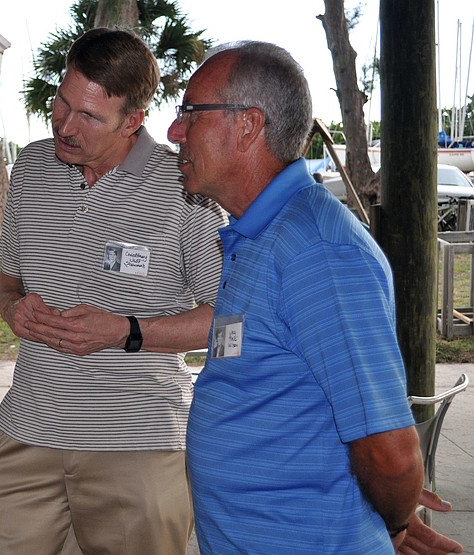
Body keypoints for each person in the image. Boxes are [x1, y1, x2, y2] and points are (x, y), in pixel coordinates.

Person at [168, 40, 458, 554]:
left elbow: (392, 454)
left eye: (190, 114)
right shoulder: (260, 235)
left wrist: (391, 525)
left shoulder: (315, 251)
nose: (174, 132)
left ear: (247, 125)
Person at [0, 28, 227, 554]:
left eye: (88, 116)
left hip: (138, 443)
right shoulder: (31, 168)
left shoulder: (184, 183)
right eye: (61, 104)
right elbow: (10, 284)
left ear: (133, 120)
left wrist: (125, 331)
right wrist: (15, 312)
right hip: (28, 431)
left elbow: (224, 319)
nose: (65, 127)